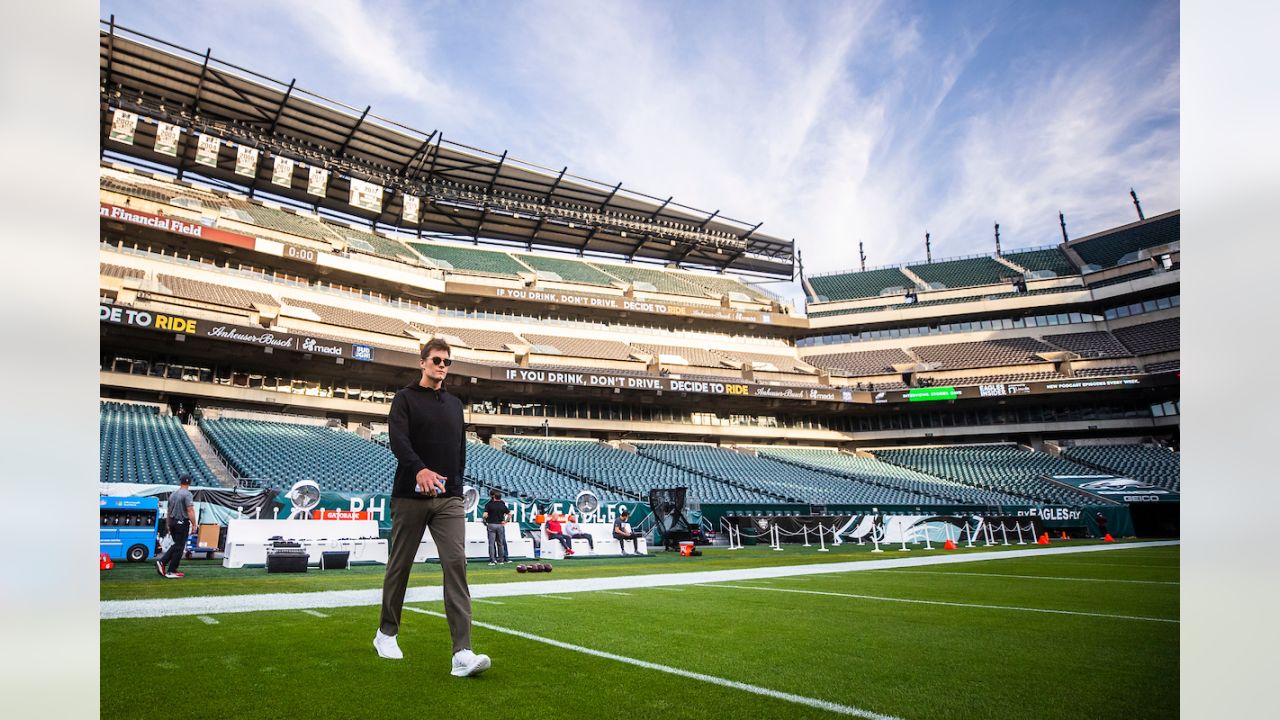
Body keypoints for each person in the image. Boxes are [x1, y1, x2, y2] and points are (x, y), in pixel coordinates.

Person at [375, 338, 490, 677]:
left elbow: (459, 450)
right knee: (401, 566)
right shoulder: (405, 399)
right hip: (410, 497)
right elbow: (398, 440)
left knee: (456, 564)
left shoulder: (455, 404)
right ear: (422, 362)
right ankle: (386, 633)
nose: (442, 365)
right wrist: (419, 469)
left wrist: (456, 483)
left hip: (449, 499)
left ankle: (462, 653)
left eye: (447, 361)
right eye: (436, 360)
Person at [156, 474, 196, 579]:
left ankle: (165, 565)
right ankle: (169, 568)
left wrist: (168, 524)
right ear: (189, 483)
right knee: (179, 547)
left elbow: (169, 511)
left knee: (176, 545)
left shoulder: (173, 494)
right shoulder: (187, 494)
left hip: (173, 522)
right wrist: (194, 524)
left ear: (180, 482)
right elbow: (190, 510)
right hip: (182, 522)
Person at [481, 489, 511, 565]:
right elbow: (510, 514)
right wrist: (505, 522)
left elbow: (484, 515)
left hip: (491, 524)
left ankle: (493, 560)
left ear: (493, 496)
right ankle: (501, 560)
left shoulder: (489, 504)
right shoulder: (502, 504)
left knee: (491, 543)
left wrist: (484, 521)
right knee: (500, 543)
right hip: (500, 525)